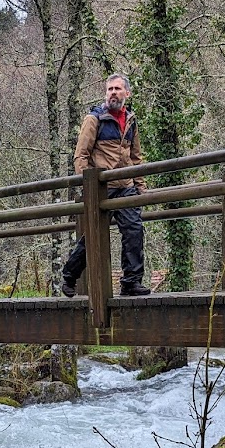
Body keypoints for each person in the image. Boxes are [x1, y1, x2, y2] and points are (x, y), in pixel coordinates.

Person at [60, 74, 150, 297]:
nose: (113, 93)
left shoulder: (130, 120)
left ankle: (131, 282)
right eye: (109, 89)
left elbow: (136, 157)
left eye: (117, 89)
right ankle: (69, 276)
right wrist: (88, 186)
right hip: (101, 186)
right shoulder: (95, 119)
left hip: (126, 185)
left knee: (134, 230)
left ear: (127, 93)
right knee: (94, 235)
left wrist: (141, 186)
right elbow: (80, 155)